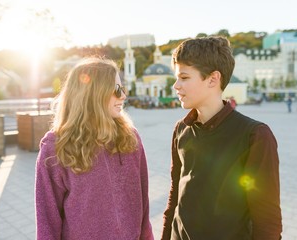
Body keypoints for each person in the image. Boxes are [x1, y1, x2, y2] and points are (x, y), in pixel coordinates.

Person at [161, 36, 282, 239]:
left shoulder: (255, 135)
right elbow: (175, 198)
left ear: (213, 79)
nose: (176, 85)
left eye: (184, 77)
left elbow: (267, 221)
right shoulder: (181, 129)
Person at [35, 57, 154, 240]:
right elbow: (47, 223)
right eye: (116, 89)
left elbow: (143, 206)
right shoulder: (55, 148)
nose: (123, 96)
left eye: (122, 89)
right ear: (93, 93)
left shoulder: (130, 137)